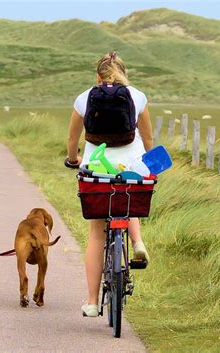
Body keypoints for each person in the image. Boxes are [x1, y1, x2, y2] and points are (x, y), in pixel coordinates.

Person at [65, 52, 153, 317]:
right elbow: (148, 138)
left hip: (96, 169)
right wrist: (149, 164)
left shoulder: (84, 98)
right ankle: (137, 242)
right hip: (132, 167)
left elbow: (72, 139)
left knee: (95, 235)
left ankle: (92, 302)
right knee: (128, 199)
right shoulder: (137, 96)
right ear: (125, 73)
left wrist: (73, 160)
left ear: (97, 75)